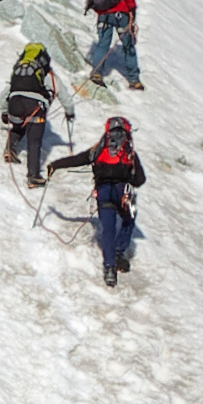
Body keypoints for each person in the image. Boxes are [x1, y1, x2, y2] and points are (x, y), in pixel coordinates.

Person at [43, 115, 149, 282]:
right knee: (128, 219)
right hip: (122, 192)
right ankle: (119, 251)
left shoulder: (99, 148)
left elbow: (77, 159)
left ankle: (109, 268)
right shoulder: (129, 152)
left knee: (108, 228)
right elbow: (140, 180)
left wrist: (55, 165)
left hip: (103, 190)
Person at [0, 36, 59, 170]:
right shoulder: (43, 71)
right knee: (34, 142)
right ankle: (34, 176)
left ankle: (10, 149)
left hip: (14, 104)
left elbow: (4, 94)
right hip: (35, 106)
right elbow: (60, 90)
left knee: (17, 126)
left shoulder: (19, 70)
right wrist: (69, 111)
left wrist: (4, 112)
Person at [83, 0, 142, 83]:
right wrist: (132, 12)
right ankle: (134, 79)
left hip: (103, 14)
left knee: (103, 44)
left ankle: (97, 73)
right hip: (122, 15)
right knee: (128, 46)